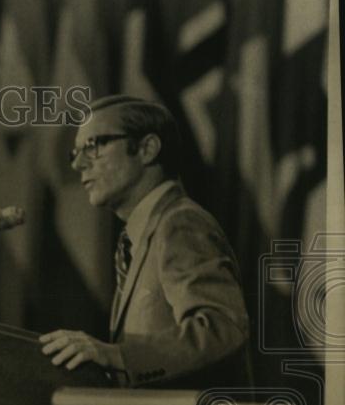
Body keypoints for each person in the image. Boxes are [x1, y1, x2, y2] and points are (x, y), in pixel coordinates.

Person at [40, 95, 251, 389]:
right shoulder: (140, 236)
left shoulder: (181, 223)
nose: (78, 164)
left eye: (93, 146)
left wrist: (115, 356)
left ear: (147, 149)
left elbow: (222, 329)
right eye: (74, 152)